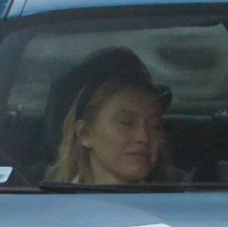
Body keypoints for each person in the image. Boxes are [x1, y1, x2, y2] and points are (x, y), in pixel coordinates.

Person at [45, 47, 176, 185]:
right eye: (126, 123)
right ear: (84, 133)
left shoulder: (182, 202)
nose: (144, 137)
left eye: (155, 126)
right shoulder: (52, 204)